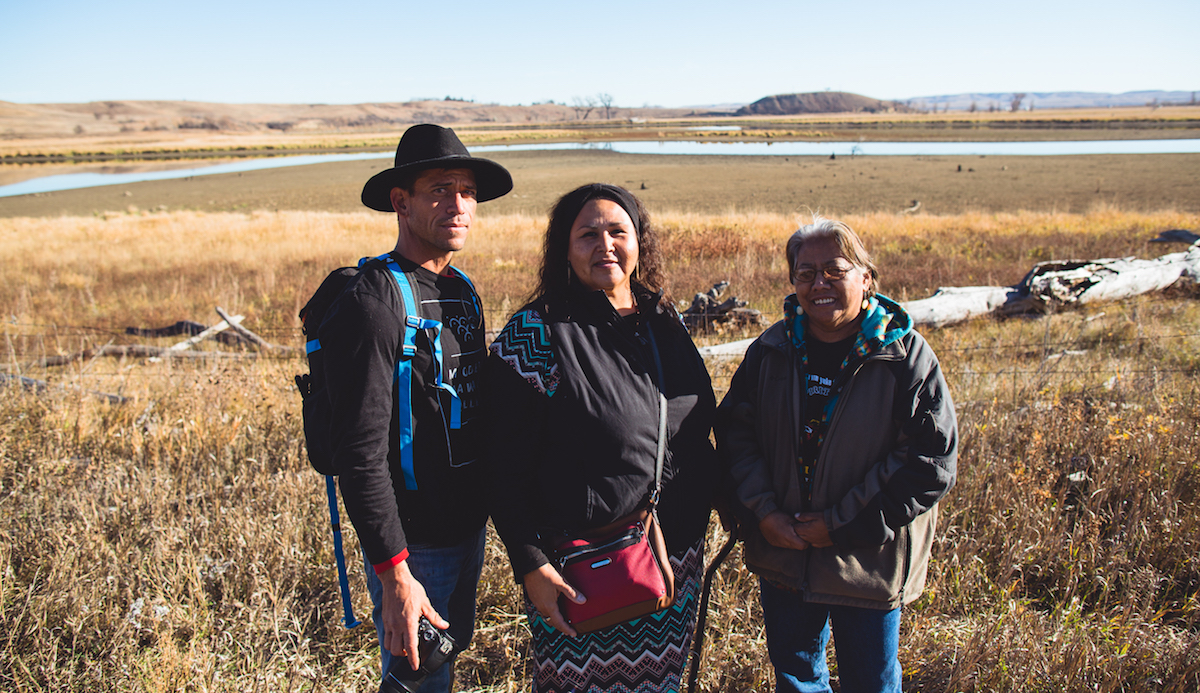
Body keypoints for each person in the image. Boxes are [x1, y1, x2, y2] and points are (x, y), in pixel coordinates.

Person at [484, 183, 720, 693]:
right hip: (584, 566)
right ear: (564, 250)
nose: (605, 245)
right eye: (587, 234)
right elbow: (502, 467)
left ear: (640, 242)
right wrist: (531, 563)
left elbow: (693, 429)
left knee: (661, 683)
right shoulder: (535, 335)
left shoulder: (663, 318)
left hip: (669, 557)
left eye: (618, 231)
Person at [716, 216, 958, 693]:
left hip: (865, 559)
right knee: (798, 680)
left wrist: (841, 523)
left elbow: (931, 462)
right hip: (785, 554)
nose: (819, 283)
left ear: (865, 278)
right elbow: (735, 436)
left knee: (871, 682)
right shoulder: (771, 350)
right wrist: (764, 513)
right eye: (805, 273)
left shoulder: (903, 357)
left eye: (834, 270)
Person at [319, 124, 512, 692]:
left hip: (466, 526)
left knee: (441, 663)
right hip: (415, 544)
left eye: (468, 191)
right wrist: (395, 574)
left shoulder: (462, 289)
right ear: (400, 203)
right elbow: (360, 454)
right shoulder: (374, 301)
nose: (459, 205)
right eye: (440, 190)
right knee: (415, 680)